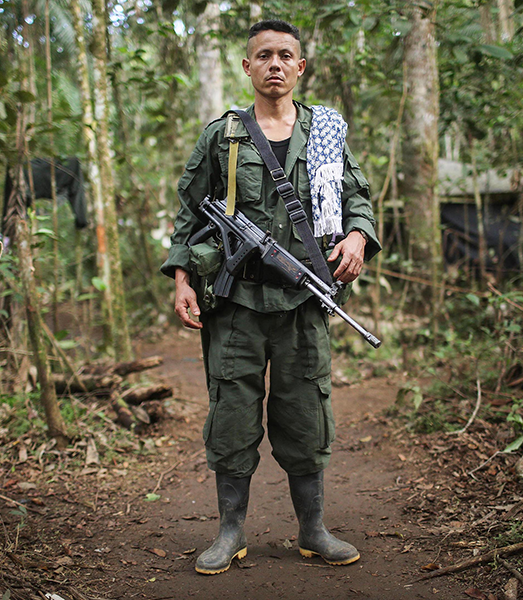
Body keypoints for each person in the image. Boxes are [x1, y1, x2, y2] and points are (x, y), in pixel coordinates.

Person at [160, 19, 380, 575]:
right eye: (264, 55)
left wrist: (357, 235)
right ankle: (230, 531)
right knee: (231, 417)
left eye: (285, 55)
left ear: (300, 67)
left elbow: (358, 197)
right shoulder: (222, 136)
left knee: (306, 415)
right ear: (247, 67)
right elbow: (189, 213)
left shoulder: (325, 132)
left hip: (304, 304)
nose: (275, 64)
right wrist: (183, 278)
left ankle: (313, 529)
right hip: (235, 306)